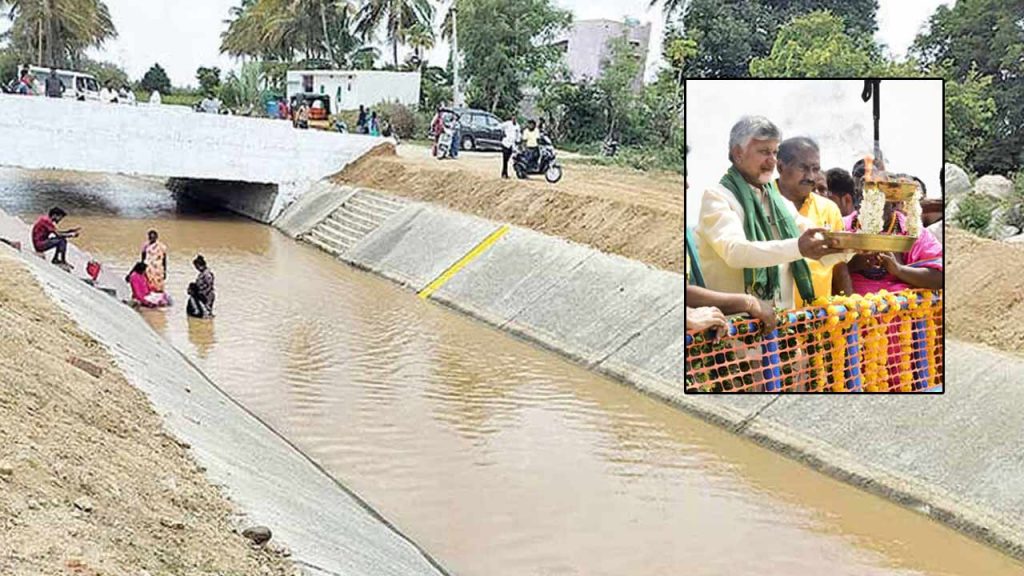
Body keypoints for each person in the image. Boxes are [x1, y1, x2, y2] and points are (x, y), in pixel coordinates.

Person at [694, 115, 850, 311]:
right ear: (738, 153)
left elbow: (815, 240)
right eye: (764, 152)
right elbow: (735, 252)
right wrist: (798, 247)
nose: (772, 161)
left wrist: (850, 246)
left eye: (775, 152)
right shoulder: (717, 198)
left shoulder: (777, 201)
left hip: (781, 327)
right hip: (737, 330)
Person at [775, 137, 853, 306]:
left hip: (819, 318)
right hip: (774, 320)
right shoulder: (761, 203)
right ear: (780, 166)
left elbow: (839, 267)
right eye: (802, 168)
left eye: (815, 169)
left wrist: (849, 311)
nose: (810, 176)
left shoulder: (829, 209)